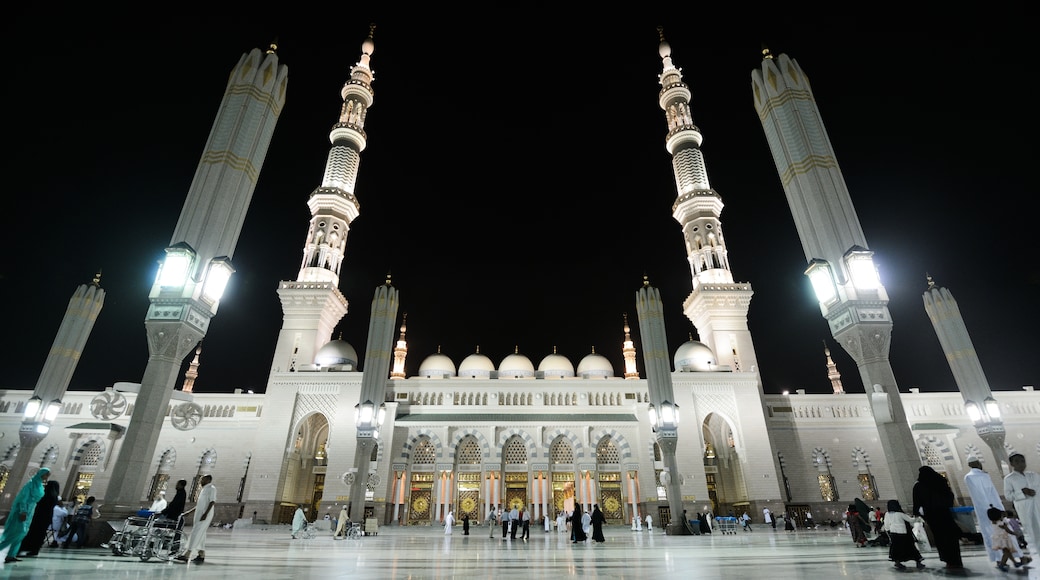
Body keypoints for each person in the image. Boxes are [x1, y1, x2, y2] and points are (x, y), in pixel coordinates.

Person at [964, 454, 1021, 564]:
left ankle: (998, 558)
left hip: (984, 510)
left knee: (991, 534)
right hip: (993, 509)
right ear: (975, 464)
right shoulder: (978, 476)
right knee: (1003, 533)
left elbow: (979, 495)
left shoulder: (972, 476)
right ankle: (1013, 557)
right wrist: (995, 508)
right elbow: (986, 493)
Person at [914, 465, 963, 569]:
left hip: (933, 517)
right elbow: (950, 496)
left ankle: (947, 560)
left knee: (941, 538)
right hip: (945, 514)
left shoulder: (919, 486)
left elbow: (917, 502)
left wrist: (921, 512)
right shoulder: (940, 481)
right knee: (951, 538)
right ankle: (955, 560)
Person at [0, 467, 50, 563]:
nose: (47, 477)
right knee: (17, 533)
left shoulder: (40, 485)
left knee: (22, 534)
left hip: (31, 511)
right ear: (41, 474)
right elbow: (24, 498)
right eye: (46, 474)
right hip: (22, 511)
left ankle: (11, 555)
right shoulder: (30, 484)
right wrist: (23, 511)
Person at [175, 474, 216, 564]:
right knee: (201, 533)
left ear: (208, 480)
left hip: (205, 515)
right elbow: (199, 505)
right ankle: (201, 554)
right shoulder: (204, 489)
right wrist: (189, 512)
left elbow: (212, 502)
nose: (201, 481)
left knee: (196, 532)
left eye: (203, 480)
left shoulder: (211, 488)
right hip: (199, 515)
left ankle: (187, 554)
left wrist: (205, 514)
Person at [1004, 452, 1039, 552]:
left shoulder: (1033, 475)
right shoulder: (1009, 479)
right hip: (1025, 509)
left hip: (1038, 505)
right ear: (1012, 464)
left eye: (1023, 461)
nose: (1021, 464)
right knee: (1034, 532)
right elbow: (1008, 496)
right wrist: (1022, 492)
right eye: (1017, 461)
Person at [20, 479, 60, 557]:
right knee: (40, 534)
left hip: (38, 516)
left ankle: (25, 547)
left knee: (32, 532)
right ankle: (35, 549)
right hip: (47, 517)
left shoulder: (44, 494)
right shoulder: (55, 497)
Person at [882, 499, 925, 569]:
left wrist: (888, 531)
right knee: (910, 547)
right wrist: (918, 518)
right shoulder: (900, 514)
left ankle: (897, 562)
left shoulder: (887, 514)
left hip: (893, 533)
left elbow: (886, 524)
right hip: (902, 533)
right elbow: (911, 520)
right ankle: (918, 562)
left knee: (896, 548)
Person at [987, 505, 1032, 571]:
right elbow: (1007, 530)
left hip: (999, 539)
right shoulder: (1001, 523)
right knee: (1007, 553)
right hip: (1003, 540)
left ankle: (1014, 562)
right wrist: (1014, 533)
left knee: (1007, 552)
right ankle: (1002, 564)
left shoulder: (994, 522)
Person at [161, 479, 187, 552]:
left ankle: (175, 549)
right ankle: (171, 547)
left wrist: (164, 512)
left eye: (178, 484)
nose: (176, 485)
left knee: (177, 534)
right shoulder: (180, 493)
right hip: (174, 516)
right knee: (174, 533)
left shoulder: (181, 494)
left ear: (181, 485)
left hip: (176, 517)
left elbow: (174, 505)